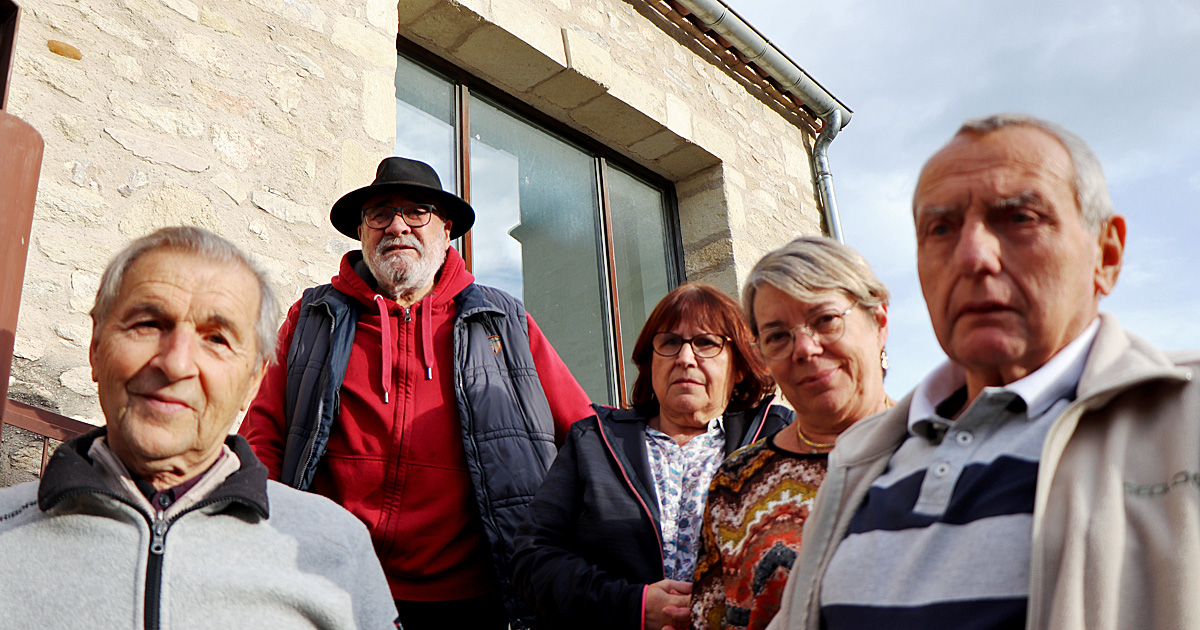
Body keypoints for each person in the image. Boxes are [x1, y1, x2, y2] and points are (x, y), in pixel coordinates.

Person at [769, 113, 1200, 630]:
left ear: (1106, 254)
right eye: (941, 229)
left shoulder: (1186, 418)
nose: (973, 256)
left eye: (1020, 218)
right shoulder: (860, 459)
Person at [238, 156, 594, 629]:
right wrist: (261, 537)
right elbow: (264, 432)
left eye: (416, 212)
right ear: (362, 233)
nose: (396, 226)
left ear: (446, 231)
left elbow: (586, 436)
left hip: (473, 598)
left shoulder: (504, 322)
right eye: (379, 214)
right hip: (332, 582)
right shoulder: (312, 317)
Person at [0, 226, 397, 628]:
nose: (175, 364)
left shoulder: (336, 548)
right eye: (148, 324)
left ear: (253, 381)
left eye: (217, 339)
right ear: (96, 346)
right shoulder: (6, 528)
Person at [512, 283, 794, 630]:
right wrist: (634, 605)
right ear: (650, 363)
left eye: (706, 343)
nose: (685, 358)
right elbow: (532, 560)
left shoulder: (777, 439)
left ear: (738, 367)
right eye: (670, 342)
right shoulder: (593, 442)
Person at [690, 237, 892, 630]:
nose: (804, 348)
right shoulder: (737, 481)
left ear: (879, 321)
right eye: (778, 336)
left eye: (825, 320)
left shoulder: (941, 446)